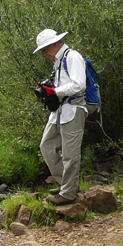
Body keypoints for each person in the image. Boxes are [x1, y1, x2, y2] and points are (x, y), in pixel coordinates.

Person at [32, 29, 99, 206]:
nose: (44, 53)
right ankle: (67, 185)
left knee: (70, 153)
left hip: (74, 109)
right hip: (60, 111)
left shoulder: (72, 56)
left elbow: (78, 85)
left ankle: (69, 193)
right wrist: (49, 90)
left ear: (55, 44)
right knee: (46, 146)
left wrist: (54, 91)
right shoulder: (58, 61)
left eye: (46, 49)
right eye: (42, 50)